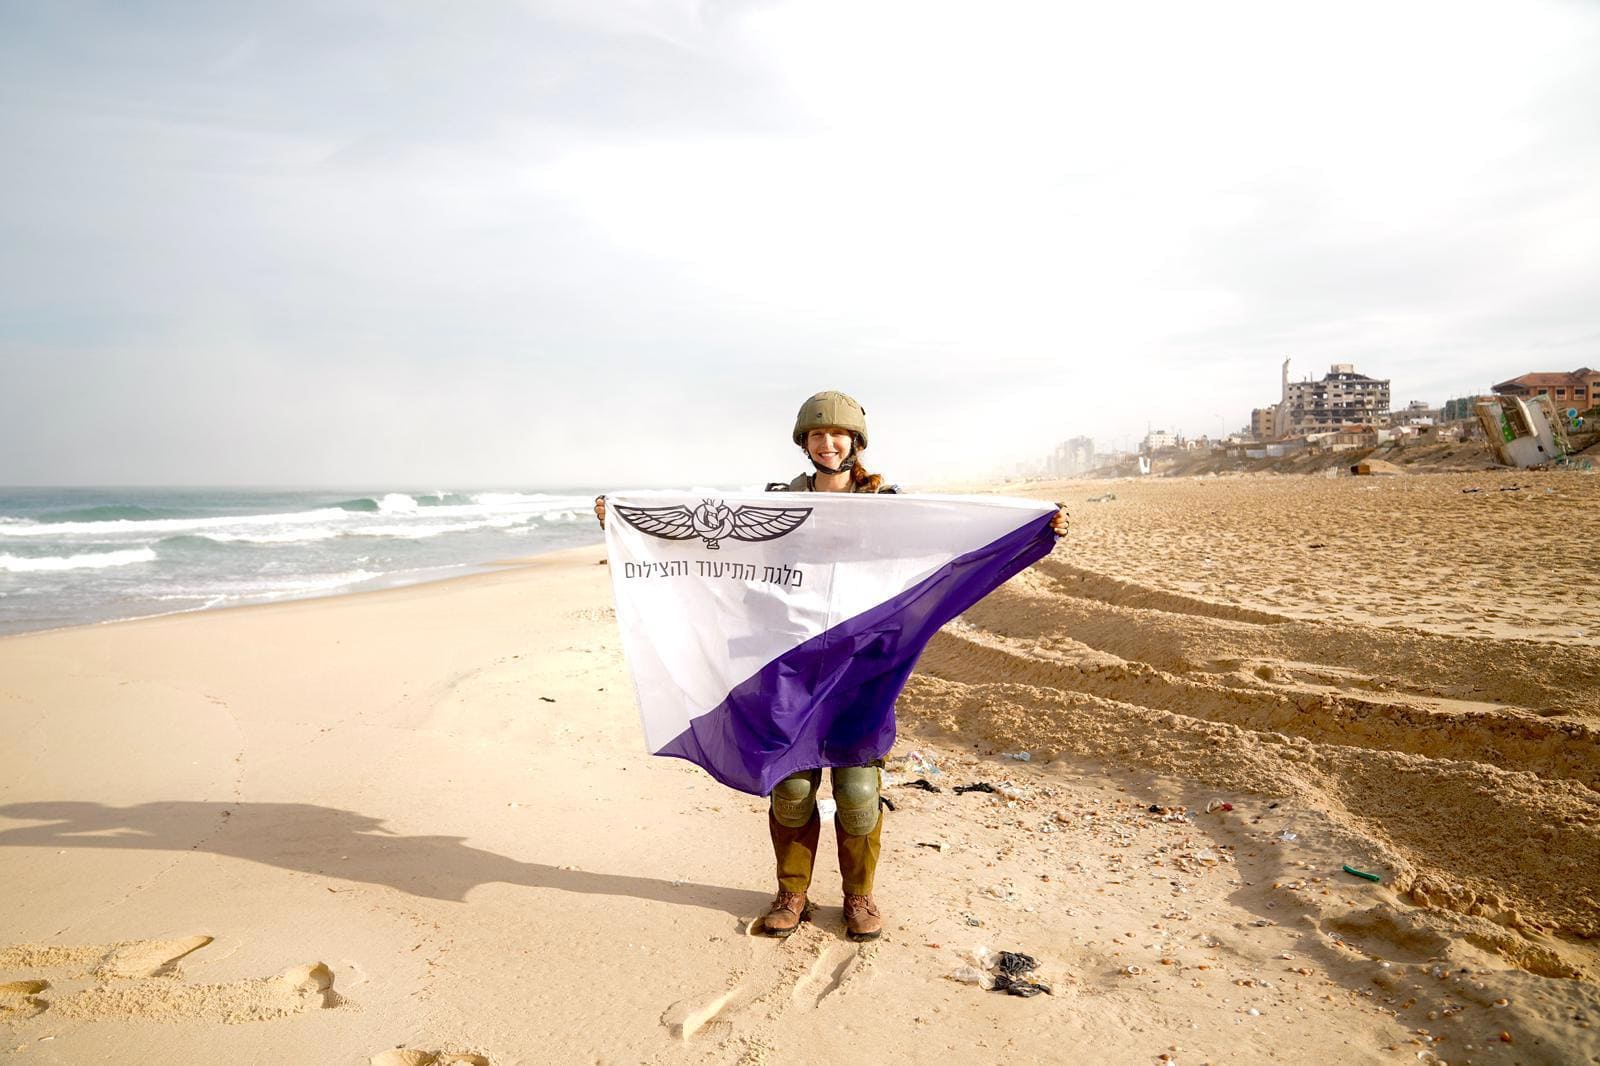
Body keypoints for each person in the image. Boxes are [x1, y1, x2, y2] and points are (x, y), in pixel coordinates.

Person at [594, 390, 1069, 941]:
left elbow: (948, 542)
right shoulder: (777, 507)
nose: (827, 443)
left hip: (862, 664)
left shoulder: (889, 506)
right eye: (817, 435)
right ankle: (791, 893)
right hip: (788, 665)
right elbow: (717, 543)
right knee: (792, 792)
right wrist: (627, 521)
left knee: (858, 792)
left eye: (838, 434)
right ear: (805, 442)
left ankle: (858, 896)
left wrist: (1040, 526)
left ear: (855, 442)